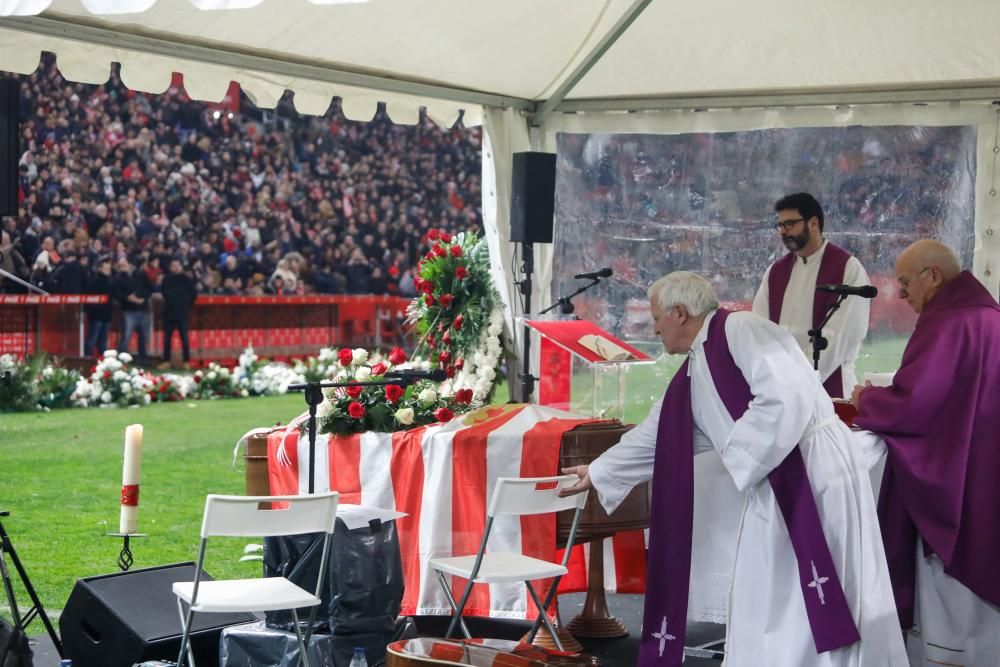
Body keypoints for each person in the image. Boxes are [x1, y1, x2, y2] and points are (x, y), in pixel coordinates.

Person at [561, 272, 905, 667]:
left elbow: (786, 396)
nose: (653, 327)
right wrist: (599, 471)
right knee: (772, 590)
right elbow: (658, 434)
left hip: (811, 472)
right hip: (775, 477)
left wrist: (741, 455)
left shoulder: (740, 329)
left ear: (680, 312)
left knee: (807, 589)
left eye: (657, 317)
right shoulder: (695, 367)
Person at [850, 240, 1000, 667]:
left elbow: (916, 406)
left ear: (933, 276)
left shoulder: (947, 323)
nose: (901, 295)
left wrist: (869, 399)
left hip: (956, 488)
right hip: (987, 471)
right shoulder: (990, 317)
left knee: (948, 612)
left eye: (904, 283)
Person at [752, 193, 870, 397]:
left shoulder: (848, 268)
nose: (783, 232)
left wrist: (794, 383)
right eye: (780, 225)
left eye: (789, 224)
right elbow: (757, 329)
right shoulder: (775, 272)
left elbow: (838, 338)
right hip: (779, 388)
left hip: (829, 389)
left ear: (813, 223)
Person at [113, 257, 153, 365]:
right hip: (128, 311)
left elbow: (150, 288)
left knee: (144, 336)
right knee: (125, 336)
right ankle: (121, 361)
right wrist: (127, 298)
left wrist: (142, 298)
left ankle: (143, 359)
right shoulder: (118, 278)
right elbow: (116, 293)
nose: (122, 268)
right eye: (120, 266)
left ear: (130, 265)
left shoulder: (141, 275)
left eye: (124, 265)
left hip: (143, 310)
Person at [159, 259, 197, 369]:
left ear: (181, 266)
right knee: (167, 338)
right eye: (173, 265)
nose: (175, 267)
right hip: (169, 312)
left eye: (177, 265)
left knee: (184, 338)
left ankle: (186, 361)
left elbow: (194, 295)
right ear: (170, 267)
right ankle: (166, 361)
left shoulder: (186, 279)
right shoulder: (167, 278)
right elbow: (163, 292)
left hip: (182, 313)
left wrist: (185, 304)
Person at [83, 256, 113, 356]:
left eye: (109, 268)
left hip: (106, 315)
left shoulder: (110, 281)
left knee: (103, 342)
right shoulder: (94, 281)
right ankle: (87, 359)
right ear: (100, 268)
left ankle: (102, 363)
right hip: (96, 316)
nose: (108, 270)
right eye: (105, 268)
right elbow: (89, 298)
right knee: (92, 339)